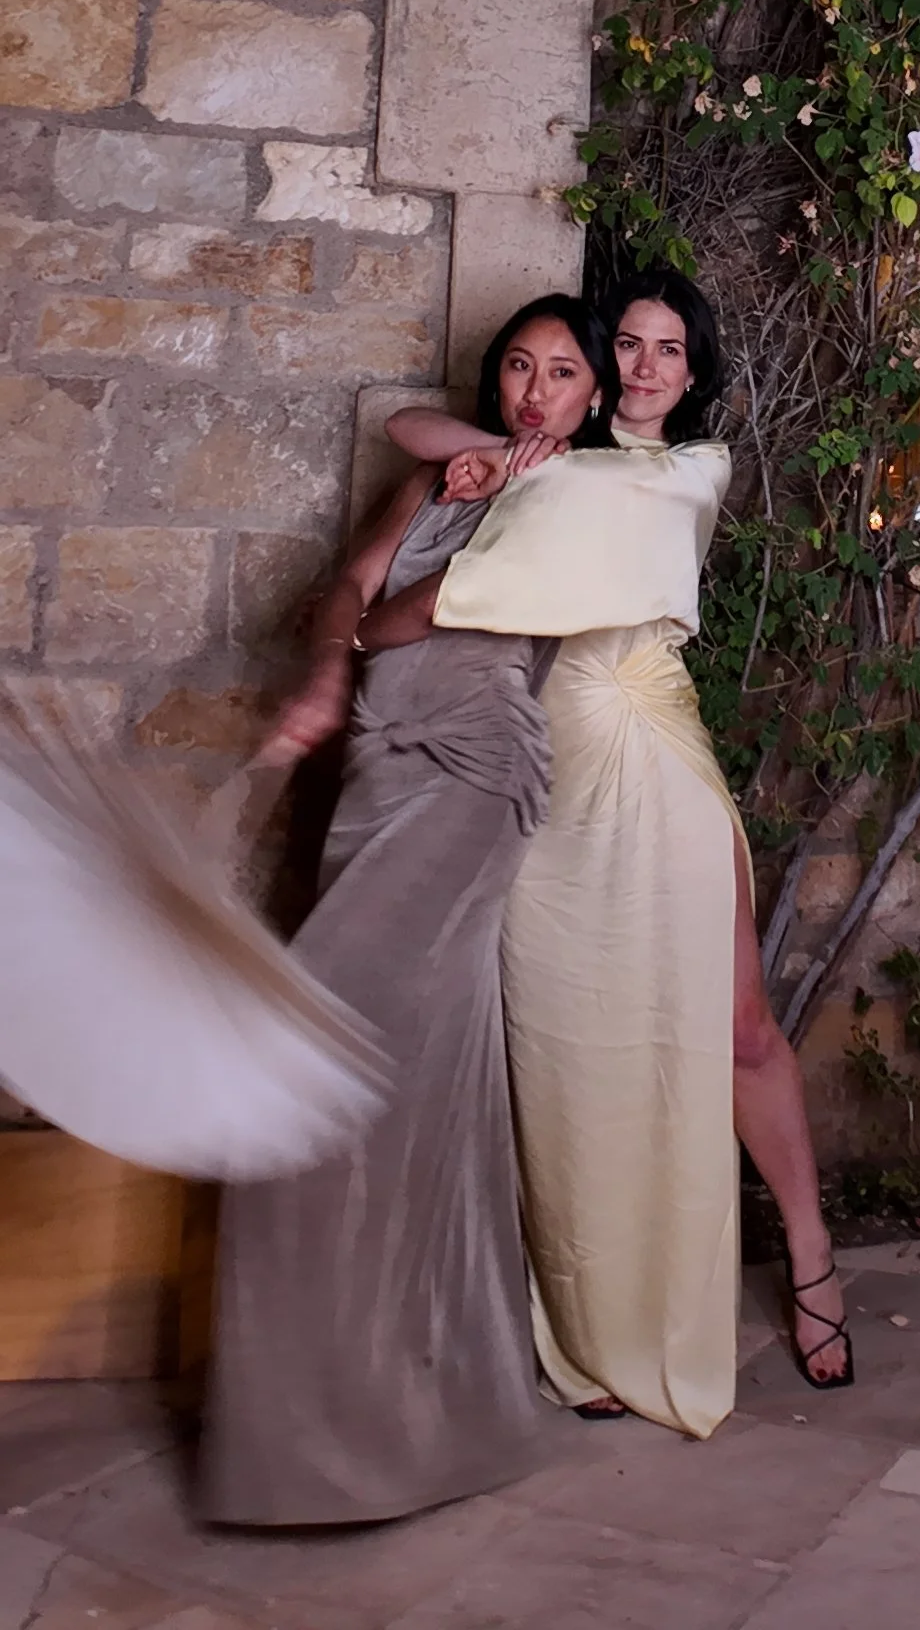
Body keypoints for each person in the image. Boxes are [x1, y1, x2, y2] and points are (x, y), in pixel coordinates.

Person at [383, 266, 852, 1437]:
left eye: (668, 351)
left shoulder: (694, 470)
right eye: (627, 346)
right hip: (554, 772)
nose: (645, 367)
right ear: (604, 371)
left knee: (738, 1029)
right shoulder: (550, 463)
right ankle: (592, 1325)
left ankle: (811, 1257)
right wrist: (504, 453)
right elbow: (404, 426)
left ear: (692, 376)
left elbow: (571, 520)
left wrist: (514, 472)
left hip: (655, 749)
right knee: (570, 1047)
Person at [198, 295, 614, 1526]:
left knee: (325, 1061)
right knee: (426, 1084)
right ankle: (411, 1404)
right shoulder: (449, 469)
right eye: (520, 367)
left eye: (564, 374)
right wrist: (329, 670)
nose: (536, 390)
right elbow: (349, 578)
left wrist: (368, 633)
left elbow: (414, 612)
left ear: (595, 399)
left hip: (474, 776)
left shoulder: (588, 497)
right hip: (373, 774)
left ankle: (348, 1428)